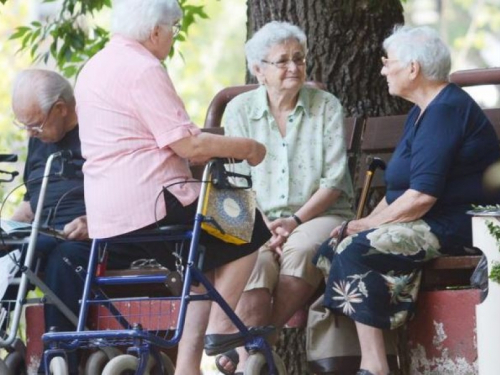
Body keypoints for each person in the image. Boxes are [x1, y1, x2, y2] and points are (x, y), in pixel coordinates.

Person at [74, 0, 270, 374]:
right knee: (250, 223)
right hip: (152, 202)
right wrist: (246, 147)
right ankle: (221, 326)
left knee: (200, 271)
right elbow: (189, 145)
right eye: (174, 29)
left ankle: (188, 366)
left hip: (107, 214)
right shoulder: (143, 68)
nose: (173, 37)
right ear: (155, 31)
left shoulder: (95, 66)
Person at [314, 26, 500, 375]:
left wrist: (367, 226)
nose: (383, 70)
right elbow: (400, 190)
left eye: (388, 62)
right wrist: (360, 224)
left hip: (457, 224)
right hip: (426, 219)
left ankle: (375, 366)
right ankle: (387, 352)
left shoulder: (446, 110)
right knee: (333, 246)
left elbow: (421, 197)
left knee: (357, 250)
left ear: (413, 68)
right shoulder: (422, 110)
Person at [217, 21, 355, 374]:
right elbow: (237, 180)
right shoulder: (240, 111)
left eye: (299, 58)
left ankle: (257, 343)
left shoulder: (326, 106)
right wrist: (266, 225)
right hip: (256, 216)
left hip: (319, 213)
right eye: (283, 61)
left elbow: (334, 180)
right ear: (258, 69)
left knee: (302, 248)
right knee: (254, 263)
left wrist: (293, 223)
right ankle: (254, 360)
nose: (294, 67)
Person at [7, 69, 90, 374]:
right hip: (43, 230)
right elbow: (31, 202)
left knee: (62, 257)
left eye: (34, 124)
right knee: (9, 249)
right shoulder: (40, 137)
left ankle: (58, 358)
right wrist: (8, 229)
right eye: (24, 125)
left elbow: (125, 188)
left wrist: (95, 220)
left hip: (86, 234)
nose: (30, 133)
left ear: (61, 109)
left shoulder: (97, 132)